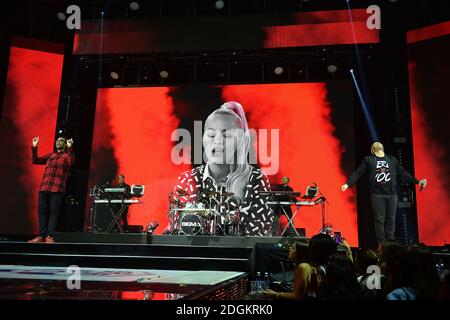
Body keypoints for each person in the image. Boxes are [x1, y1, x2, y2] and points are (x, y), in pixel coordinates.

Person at [170, 101, 273, 236]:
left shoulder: (256, 179)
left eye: (227, 135)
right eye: (211, 135)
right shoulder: (187, 179)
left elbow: (260, 234)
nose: (218, 141)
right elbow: (178, 230)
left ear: (240, 140)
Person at [341, 142, 427, 246]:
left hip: (391, 194)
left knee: (391, 218)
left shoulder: (392, 159)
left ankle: (390, 242)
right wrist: (347, 183)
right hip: (377, 194)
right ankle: (381, 244)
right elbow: (358, 172)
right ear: (373, 150)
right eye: (375, 144)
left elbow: (403, 173)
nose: (377, 143)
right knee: (379, 219)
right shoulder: (369, 160)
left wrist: (417, 182)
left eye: (378, 143)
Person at [29, 136, 75, 243]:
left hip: (57, 188)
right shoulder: (51, 155)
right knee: (42, 211)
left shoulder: (66, 156)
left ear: (64, 144)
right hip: (44, 187)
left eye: (61, 141)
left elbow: (71, 162)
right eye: (57, 141)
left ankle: (49, 236)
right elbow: (36, 160)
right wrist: (35, 147)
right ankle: (41, 236)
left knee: (53, 212)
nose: (58, 142)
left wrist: (70, 148)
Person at [264, 233, 337, 300]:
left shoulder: (305, 267)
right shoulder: (329, 267)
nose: (289, 249)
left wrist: (275, 295)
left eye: (293, 248)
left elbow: (297, 296)